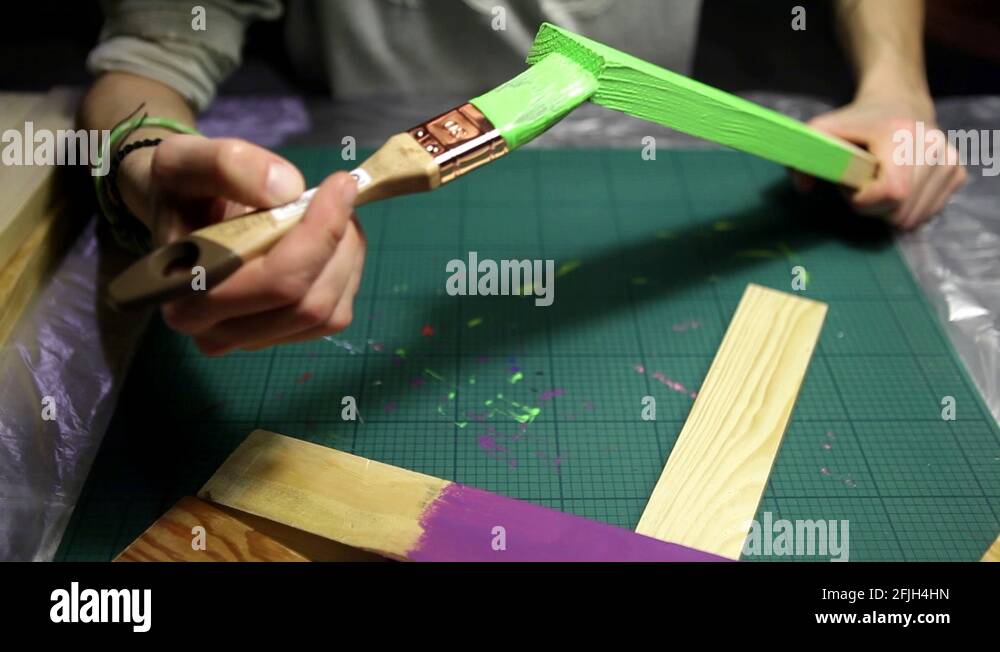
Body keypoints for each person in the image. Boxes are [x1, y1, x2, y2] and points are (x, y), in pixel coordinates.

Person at [79, 0, 966, 355]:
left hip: (655, 137)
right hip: (347, 119)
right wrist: (145, 158)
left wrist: (895, 82)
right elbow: (147, 59)